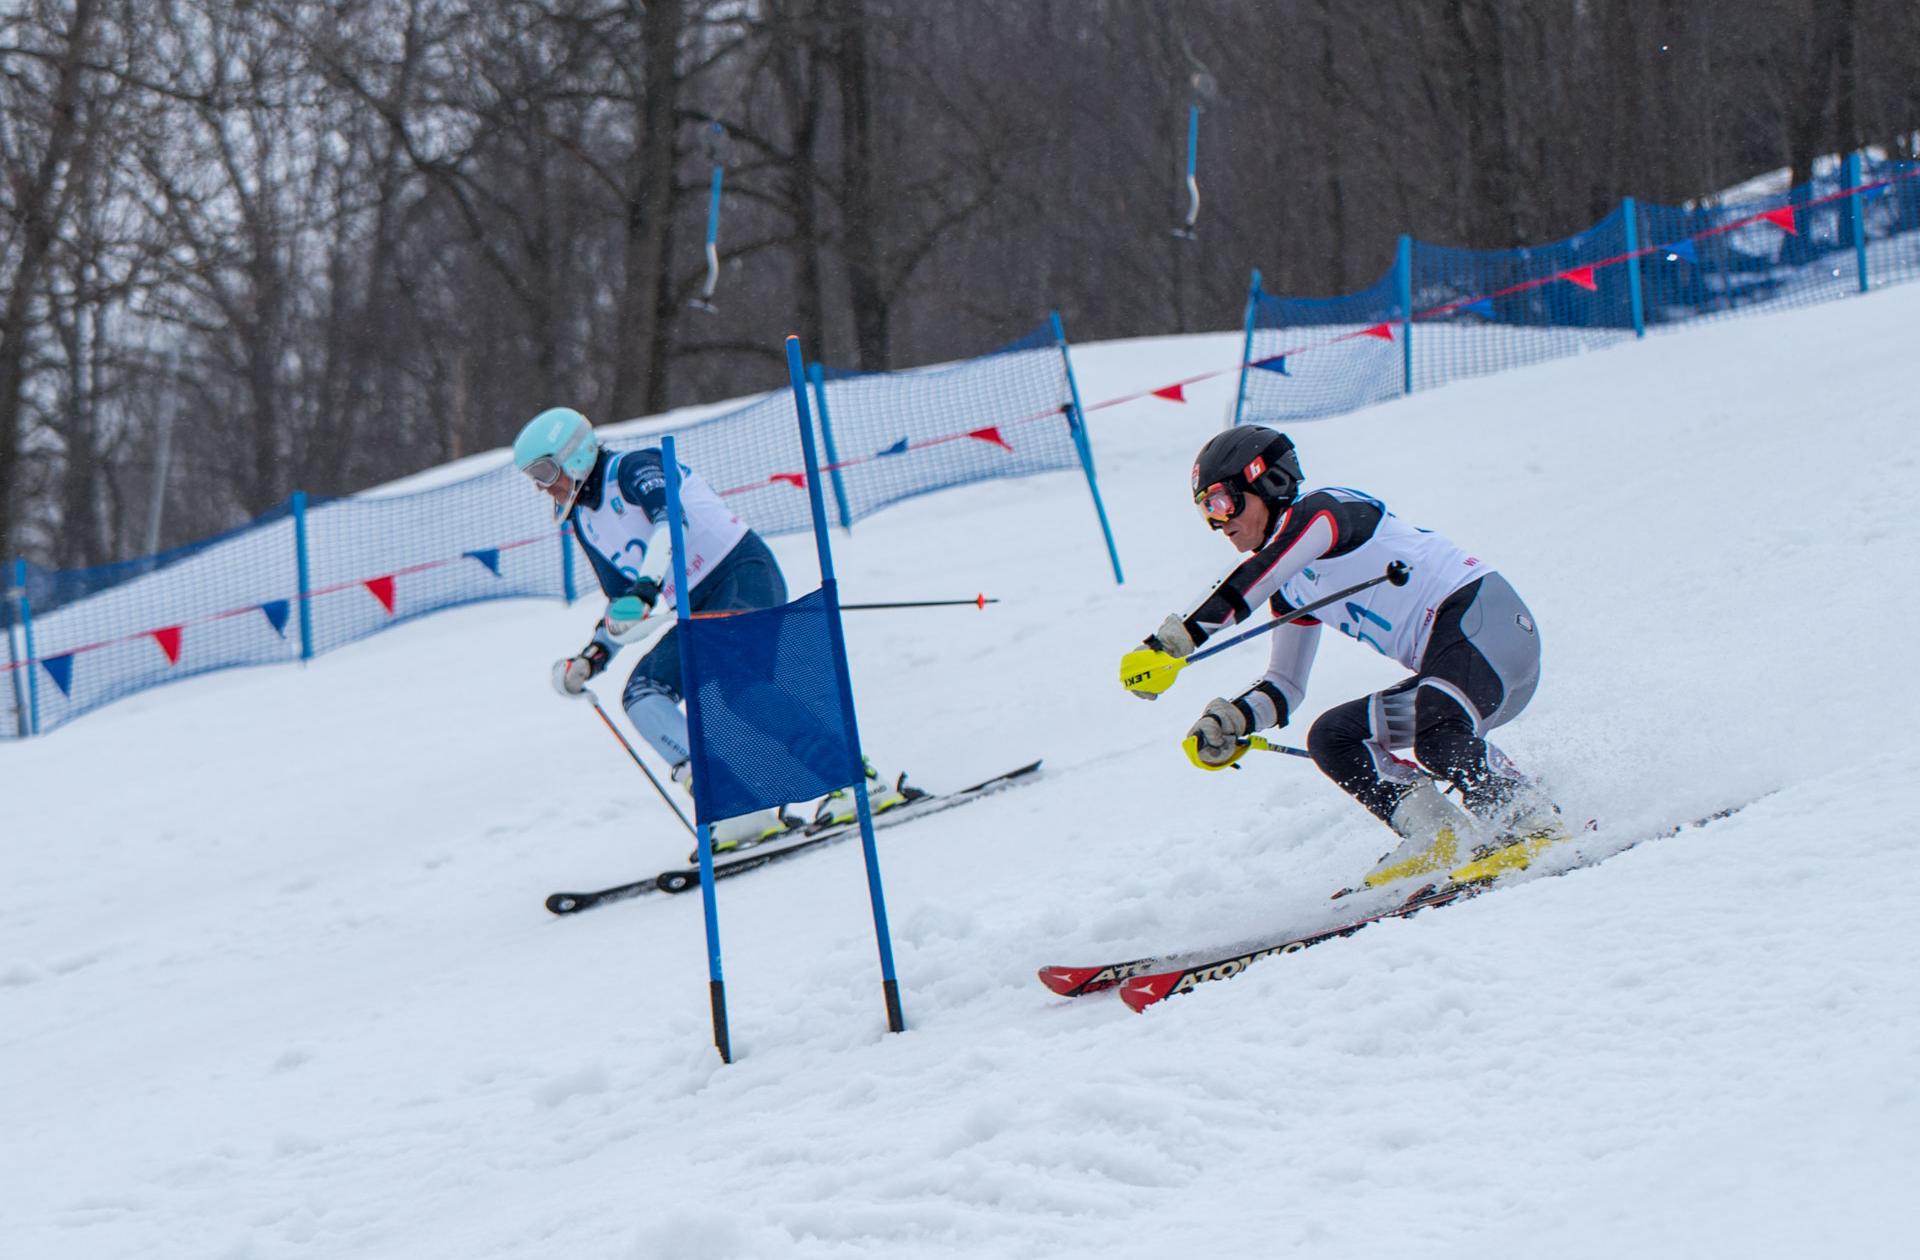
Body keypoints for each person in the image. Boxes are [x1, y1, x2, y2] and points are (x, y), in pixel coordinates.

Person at [1124, 425, 1565, 887]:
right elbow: (1285, 687)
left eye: (1220, 502)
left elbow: (1255, 577)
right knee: (1333, 738)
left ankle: (1531, 819)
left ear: (1266, 482)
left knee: (1437, 732)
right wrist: (1234, 721)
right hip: (1457, 681)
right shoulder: (1292, 588)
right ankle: (1438, 834)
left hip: (1490, 629)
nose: (1218, 522)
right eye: (1205, 512)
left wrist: (1173, 643)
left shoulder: (1325, 511)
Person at [512, 406, 908, 849]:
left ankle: (854, 778)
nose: (543, 486)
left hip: (741, 574)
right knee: (643, 695)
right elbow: (622, 606)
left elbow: (671, 524)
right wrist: (593, 656)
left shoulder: (632, 468)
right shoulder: (584, 522)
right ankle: (736, 803)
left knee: (740, 685)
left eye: (546, 470)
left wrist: (645, 589)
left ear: (577, 455)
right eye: (534, 477)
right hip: (692, 607)